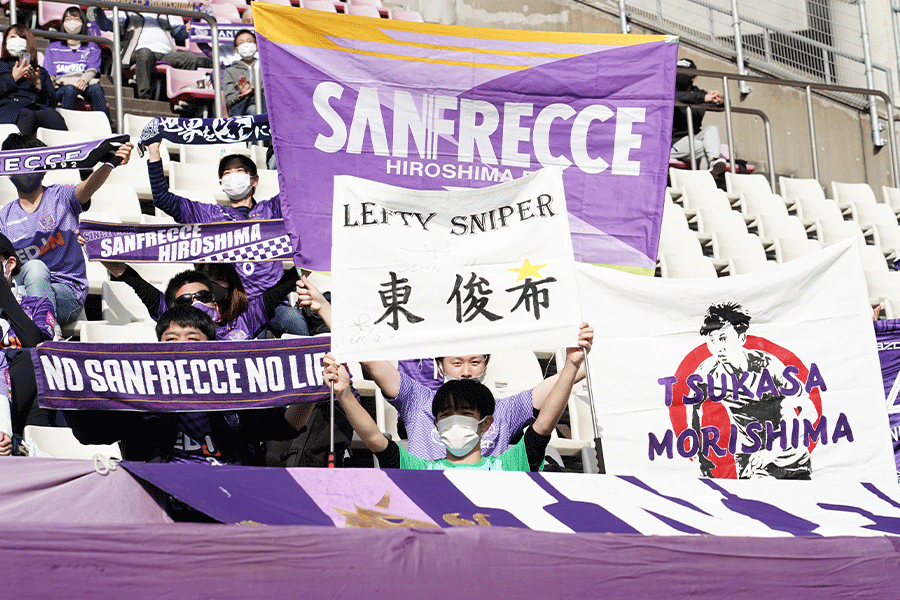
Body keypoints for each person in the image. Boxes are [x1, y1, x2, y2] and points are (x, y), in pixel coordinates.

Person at [297, 276, 595, 460]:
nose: (466, 371)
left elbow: (568, 378)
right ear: (439, 367)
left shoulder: (505, 410)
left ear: (486, 365)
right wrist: (324, 308)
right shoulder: (417, 399)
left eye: (475, 362)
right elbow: (369, 361)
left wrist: (577, 353)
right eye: (457, 362)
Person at [66, 304, 314, 464]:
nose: (182, 347)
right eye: (171, 339)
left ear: (212, 347)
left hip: (229, 496)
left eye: (193, 339)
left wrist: (313, 388)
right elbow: (89, 434)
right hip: (161, 498)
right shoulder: (139, 396)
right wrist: (67, 381)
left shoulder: (235, 392)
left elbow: (287, 426)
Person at [323, 336, 587, 471]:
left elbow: (544, 426)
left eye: (466, 413)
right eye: (447, 414)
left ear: (486, 423)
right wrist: (344, 394)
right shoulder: (420, 470)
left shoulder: (508, 465)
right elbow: (373, 438)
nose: (466, 372)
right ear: (436, 424)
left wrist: (572, 364)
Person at [146, 141, 310, 336]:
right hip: (235, 311)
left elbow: (301, 189)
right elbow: (162, 199)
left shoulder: (272, 210)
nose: (233, 177)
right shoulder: (210, 215)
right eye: (227, 173)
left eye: (239, 171)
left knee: (296, 323)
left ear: (254, 180)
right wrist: (153, 151)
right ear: (221, 183)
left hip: (275, 304)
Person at [0, 133, 134, 327]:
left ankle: (48, 333)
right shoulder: (4, 217)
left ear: (45, 168)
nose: (27, 173)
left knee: (35, 269)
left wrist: (110, 163)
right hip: (23, 294)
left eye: (33, 164)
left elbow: (87, 188)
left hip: (67, 294)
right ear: (8, 172)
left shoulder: (61, 197)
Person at [690, 301, 816, 479]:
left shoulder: (768, 365)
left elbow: (809, 409)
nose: (718, 347)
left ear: (742, 338)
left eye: (723, 338)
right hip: (749, 458)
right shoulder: (707, 372)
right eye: (712, 340)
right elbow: (691, 407)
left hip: (789, 456)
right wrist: (699, 456)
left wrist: (773, 450)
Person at [103, 261, 301, 341]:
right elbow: (133, 280)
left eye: (204, 296)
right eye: (186, 299)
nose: (195, 301)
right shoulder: (173, 315)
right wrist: (97, 247)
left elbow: (287, 283)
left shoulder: (246, 318)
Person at [0, 232, 56, 454]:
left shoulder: (38, 305)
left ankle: (23, 447)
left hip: (24, 381)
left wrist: (2, 292)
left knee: (37, 360)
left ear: (10, 264)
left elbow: (36, 344)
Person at [93, 8, 212, 100]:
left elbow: (181, 33)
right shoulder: (127, 10)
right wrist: (98, 9)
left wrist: (194, 21)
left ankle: (182, 96)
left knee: (190, 58)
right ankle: (144, 96)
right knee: (145, 53)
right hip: (137, 52)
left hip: (165, 54)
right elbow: (106, 25)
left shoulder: (165, 12)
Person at [43, 7, 109, 117]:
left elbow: (92, 69)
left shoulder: (92, 47)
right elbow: (49, 74)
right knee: (70, 89)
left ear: (83, 23)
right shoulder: (53, 48)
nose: (72, 22)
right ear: (63, 23)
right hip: (62, 87)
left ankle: (103, 122)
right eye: (68, 19)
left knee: (96, 89)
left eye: (76, 19)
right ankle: (67, 122)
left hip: (84, 85)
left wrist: (84, 80)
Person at [0, 25, 67, 135]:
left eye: (22, 38)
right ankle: (19, 145)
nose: (17, 41)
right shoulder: (1, 65)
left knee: (52, 115)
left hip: (35, 109)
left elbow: (52, 102)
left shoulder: (40, 71)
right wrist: (13, 78)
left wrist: (38, 84)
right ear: (5, 43)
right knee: (27, 115)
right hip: (8, 111)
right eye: (12, 37)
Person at [671, 57, 726, 175]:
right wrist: (704, 98)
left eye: (684, 73)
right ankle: (705, 178)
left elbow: (724, 105)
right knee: (705, 148)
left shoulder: (697, 93)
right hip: (674, 142)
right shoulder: (670, 90)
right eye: (677, 72)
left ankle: (712, 162)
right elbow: (680, 97)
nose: (679, 76)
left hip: (693, 137)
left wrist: (720, 100)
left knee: (712, 129)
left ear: (694, 77)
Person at [223, 29, 265, 117]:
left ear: (256, 45)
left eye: (249, 41)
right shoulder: (230, 71)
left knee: (253, 108)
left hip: (261, 104)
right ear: (236, 50)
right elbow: (229, 100)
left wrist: (256, 91)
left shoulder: (265, 67)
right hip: (240, 109)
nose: (246, 45)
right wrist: (241, 94)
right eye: (241, 43)